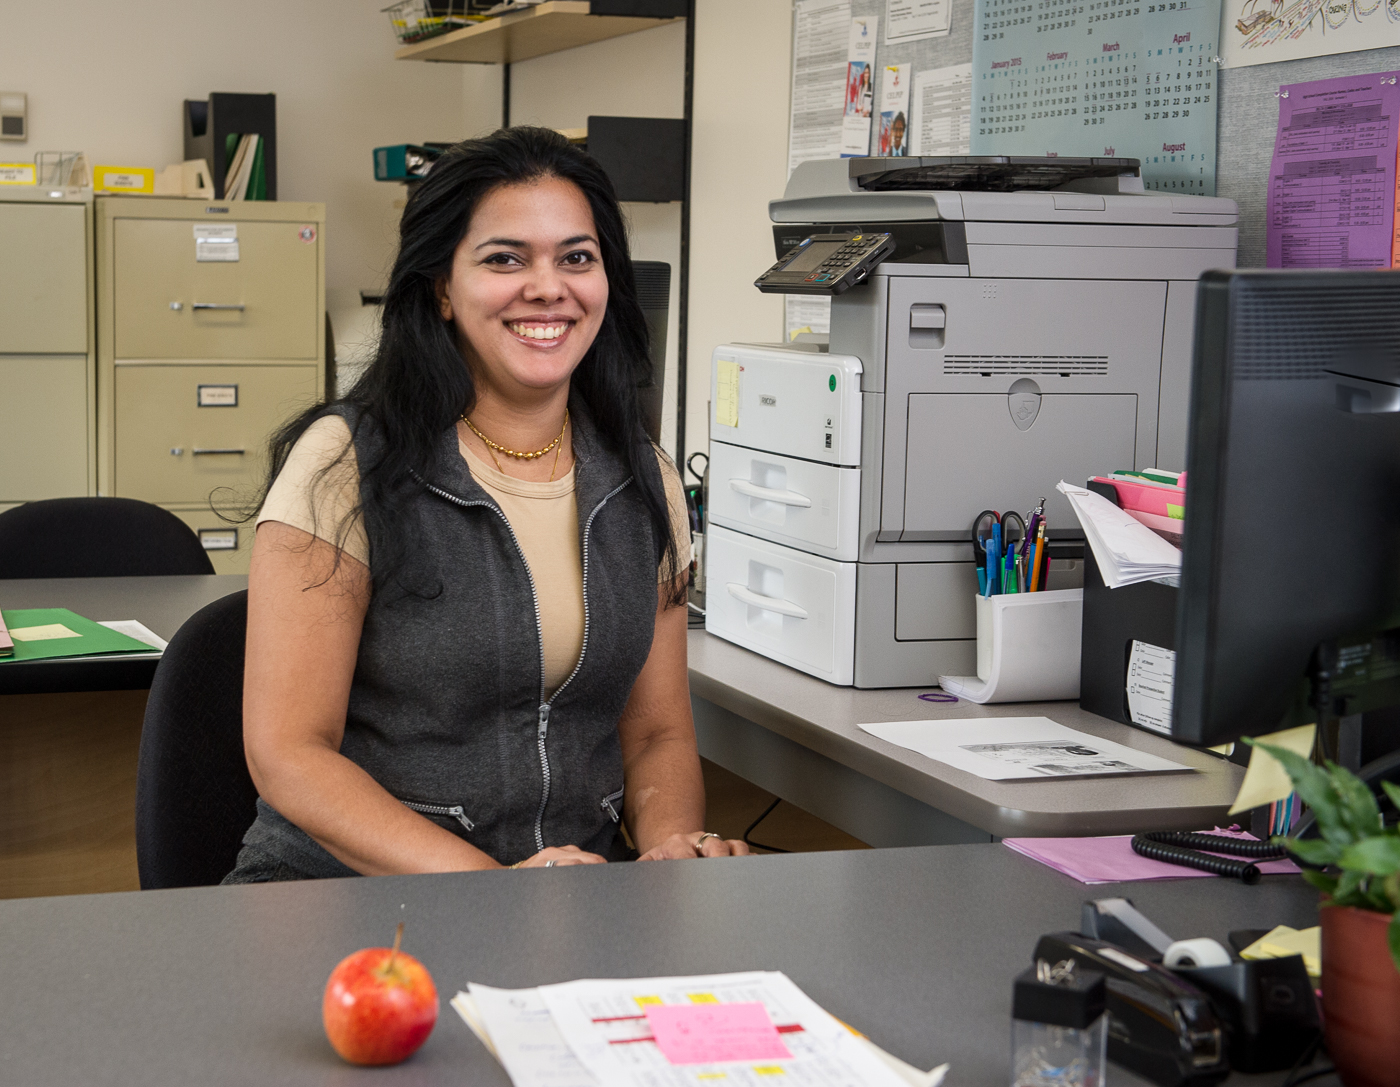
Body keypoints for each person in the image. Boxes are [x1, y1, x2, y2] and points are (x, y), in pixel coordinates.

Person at [224, 127, 749, 882]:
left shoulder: (644, 478)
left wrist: (670, 846)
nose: (549, 286)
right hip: (350, 897)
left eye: (577, 257)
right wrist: (497, 889)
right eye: (505, 258)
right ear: (440, 286)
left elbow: (656, 734)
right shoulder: (344, 466)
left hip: (567, 901)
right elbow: (289, 757)